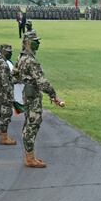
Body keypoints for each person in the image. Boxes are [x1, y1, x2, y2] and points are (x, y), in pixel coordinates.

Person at [15, 31, 65, 168]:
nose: (38, 43)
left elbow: (15, 74)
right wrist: (54, 95)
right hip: (32, 95)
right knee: (32, 124)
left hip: (27, 93)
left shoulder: (21, 57)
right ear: (27, 43)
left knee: (29, 123)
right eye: (35, 40)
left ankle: (29, 156)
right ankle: (29, 158)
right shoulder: (31, 61)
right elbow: (42, 82)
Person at [0, 44, 19, 146]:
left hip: (0, 92)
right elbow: (5, 82)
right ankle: (4, 138)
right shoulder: (3, 64)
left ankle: (4, 136)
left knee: (3, 114)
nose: (10, 53)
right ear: (3, 52)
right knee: (6, 114)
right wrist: (11, 95)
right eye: (9, 52)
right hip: (4, 94)